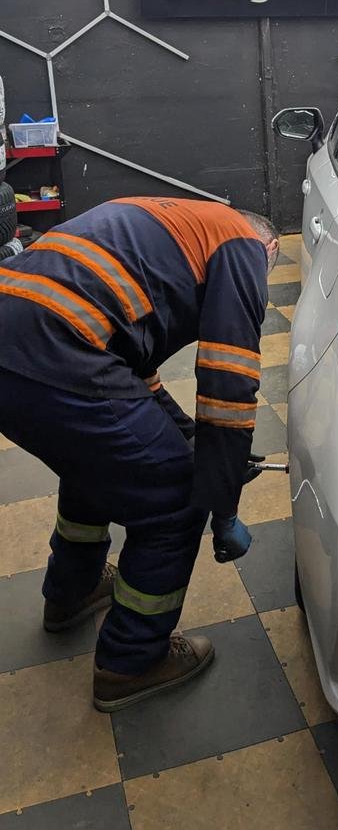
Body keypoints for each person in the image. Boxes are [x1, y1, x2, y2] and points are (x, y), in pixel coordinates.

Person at [0, 197, 279, 711]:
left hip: (21, 331)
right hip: (58, 343)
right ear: (270, 248)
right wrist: (221, 503)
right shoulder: (242, 243)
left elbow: (131, 369)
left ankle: (73, 591)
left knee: (98, 457)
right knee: (174, 497)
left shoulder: (164, 223)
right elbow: (228, 378)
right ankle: (131, 662)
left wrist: (190, 438)